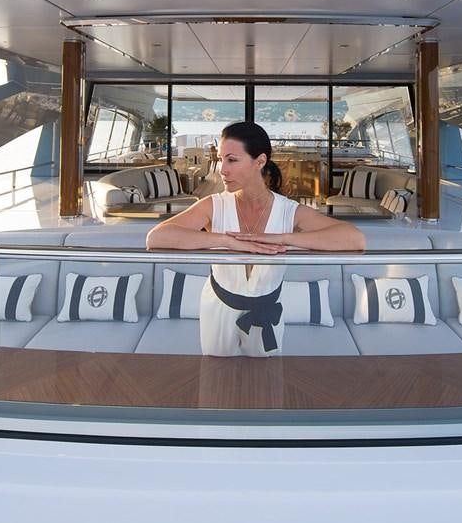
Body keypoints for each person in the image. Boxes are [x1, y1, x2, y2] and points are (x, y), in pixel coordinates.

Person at [146, 121, 365, 356]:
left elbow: (354, 240)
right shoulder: (214, 205)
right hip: (218, 311)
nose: (222, 170)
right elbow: (156, 238)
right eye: (221, 159)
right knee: (217, 383)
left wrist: (283, 239)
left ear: (260, 161)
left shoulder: (289, 211)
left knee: (265, 386)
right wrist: (227, 241)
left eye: (232, 160)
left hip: (267, 312)